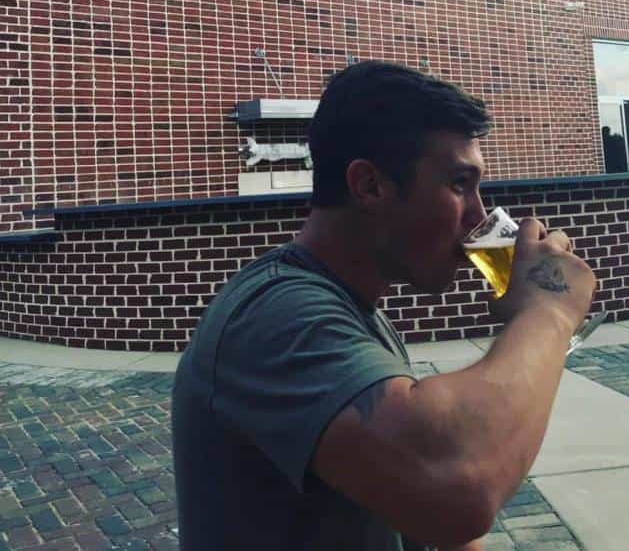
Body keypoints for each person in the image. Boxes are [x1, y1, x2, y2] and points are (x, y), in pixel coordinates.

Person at [172, 60, 596, 551]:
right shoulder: (277, 315)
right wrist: (550, 312)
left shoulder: (356, 314)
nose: (480, 216)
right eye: (459, 185)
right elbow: (457, 487)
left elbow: (424, 520)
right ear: (370, 185)